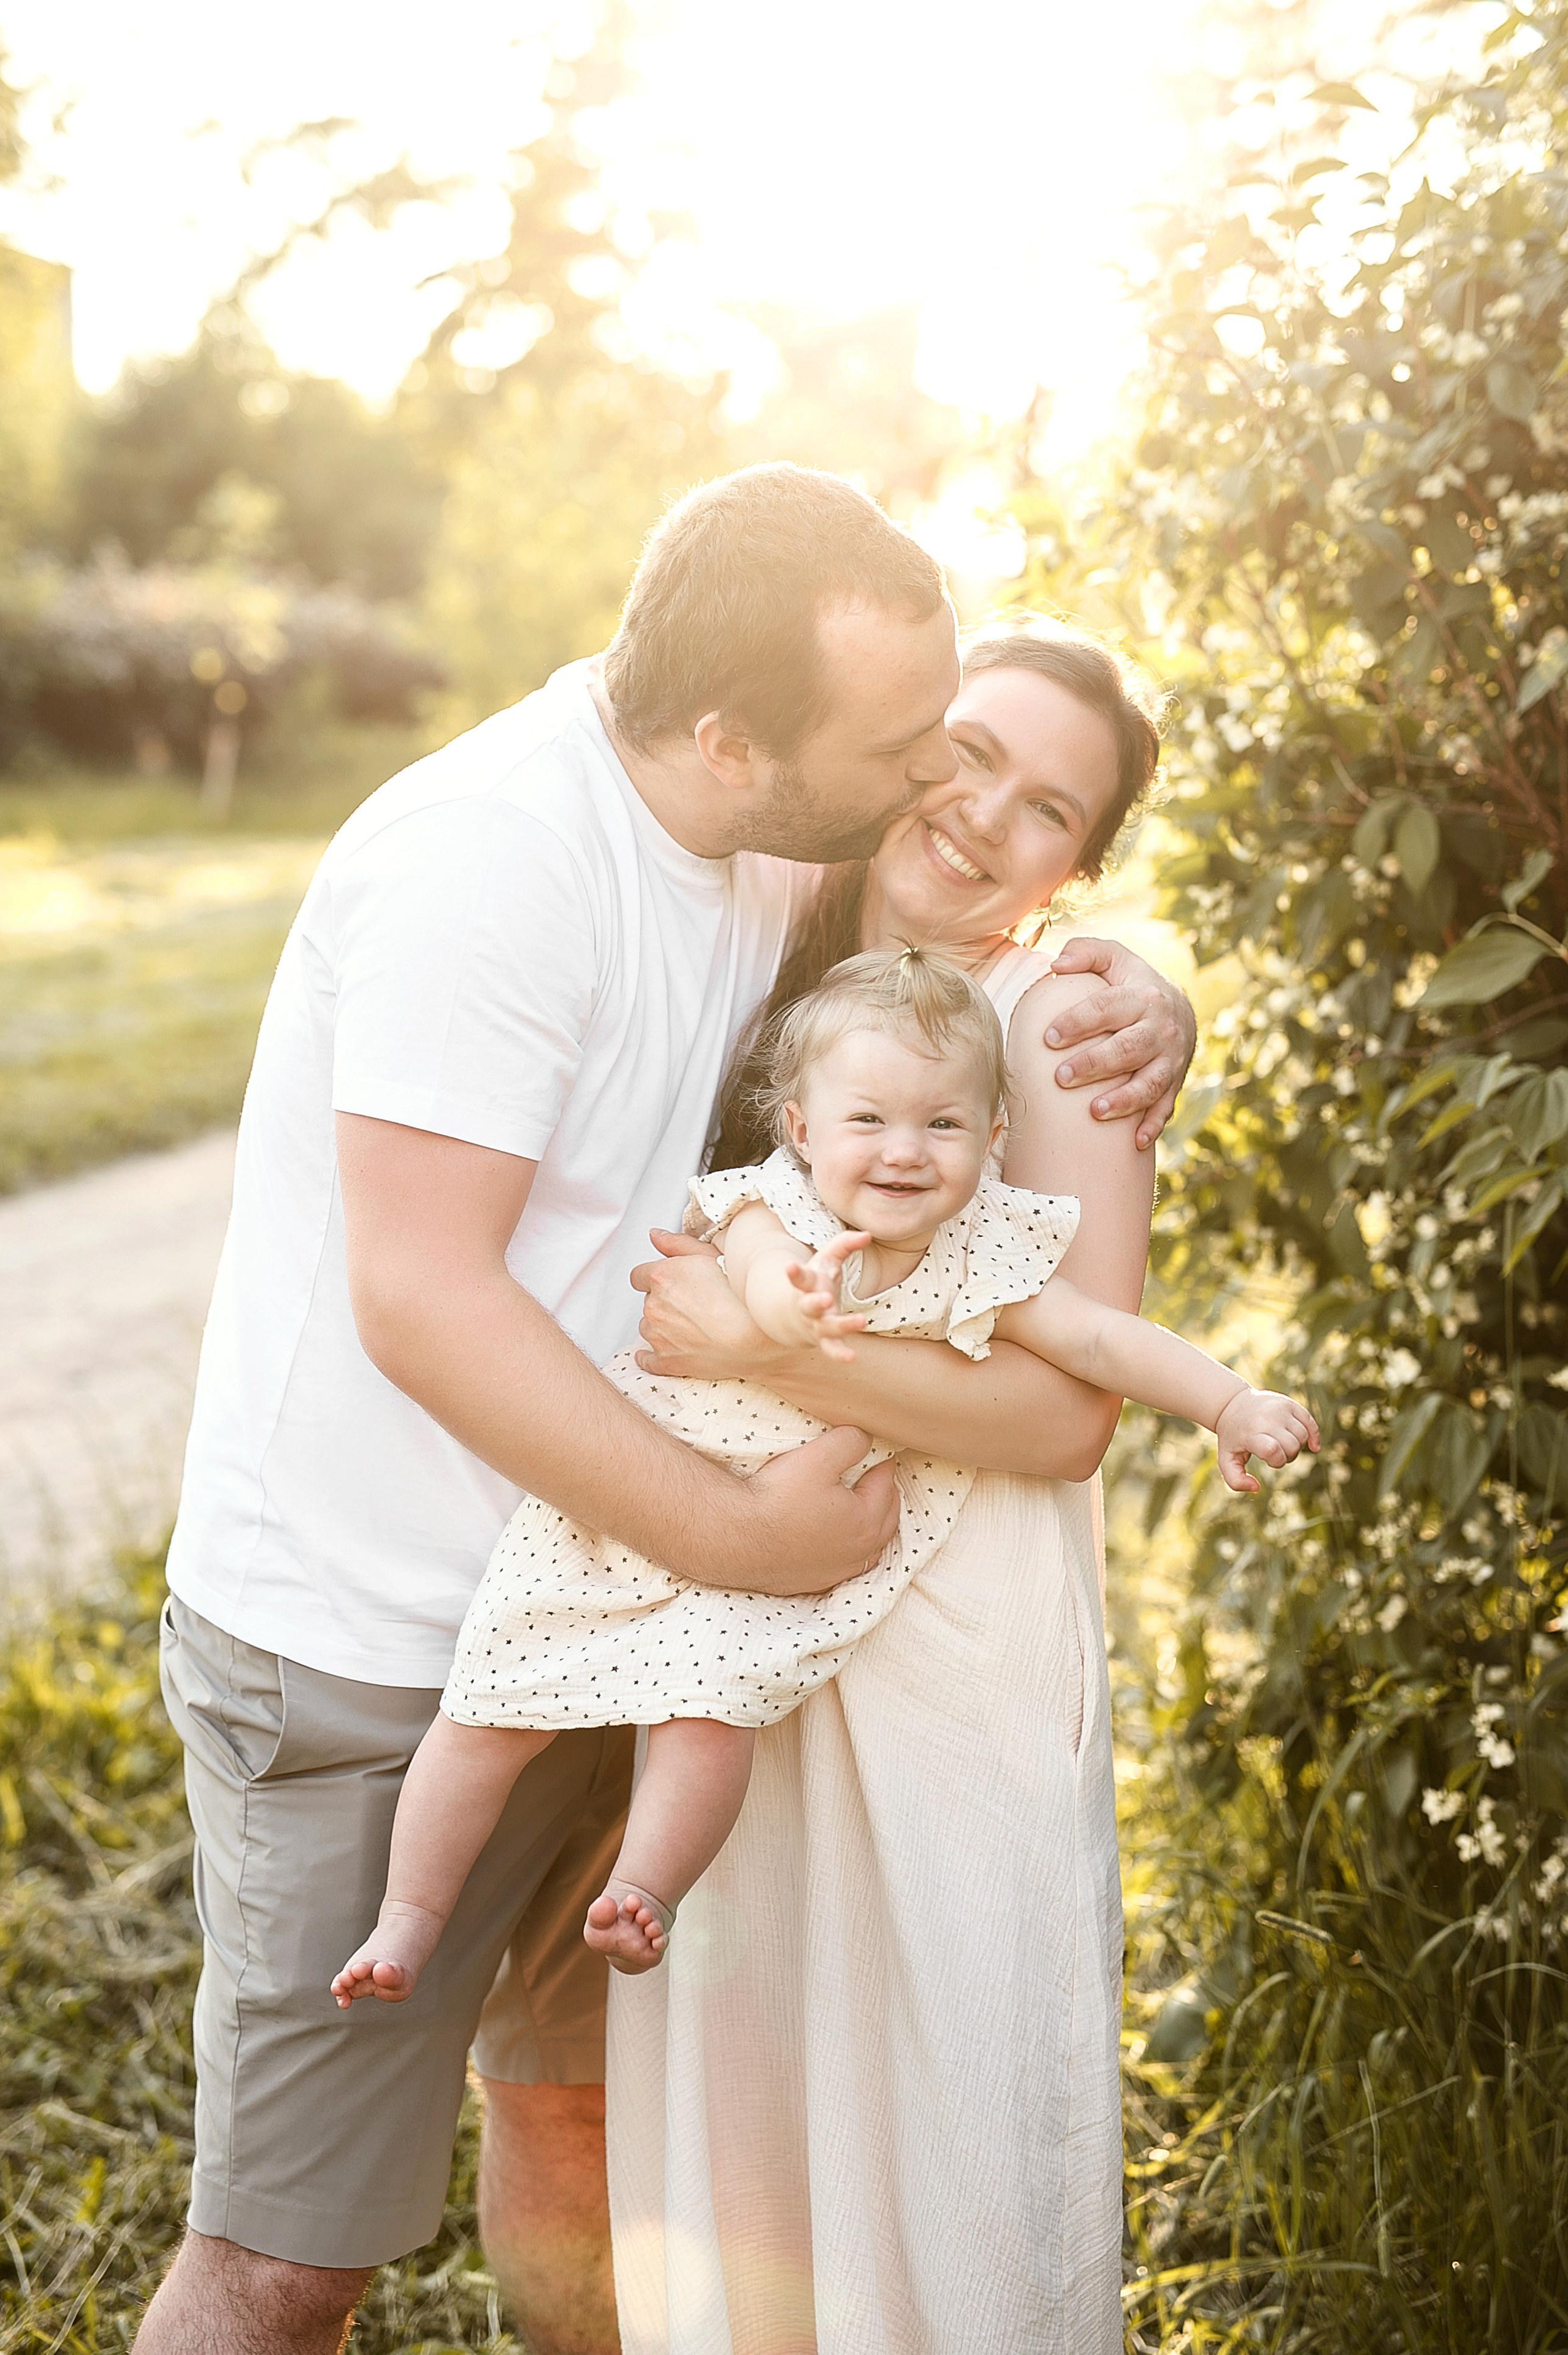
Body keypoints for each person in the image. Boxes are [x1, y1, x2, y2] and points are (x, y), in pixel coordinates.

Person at [138, 473, 1193, 2355]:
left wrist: (1142, 1006)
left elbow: (1005, 1044)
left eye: (1026, 793)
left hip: (651, 1643)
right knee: (289, 2259)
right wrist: (737, 1535)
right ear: (736, 739)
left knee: (592, 2135)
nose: (939, 792)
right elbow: (422, 1295)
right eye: (923, 749)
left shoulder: (772, 857)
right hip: (390, 1641)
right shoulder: (505, 861)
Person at [331, 948, 1311, 2007]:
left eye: (942, 1125)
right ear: (801, 1129)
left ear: (992, 1139)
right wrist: (787, 1310)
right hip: (643, 1490)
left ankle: (644, 1892)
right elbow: (753, 1270)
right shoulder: (772, 1211)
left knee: (709, 1721)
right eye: (868, 1121)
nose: (903, 1152)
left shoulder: (983, 1252)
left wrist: (1229, 1401)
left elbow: (1103, 1343)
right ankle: (406, 1919)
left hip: (770, 1555)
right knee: (490, 1708)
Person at [610, 619, 1194, 2354]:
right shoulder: (765, 937)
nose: (980, 812)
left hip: (951, 1651)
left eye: (1048, 807)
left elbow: (1070, 1410)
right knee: (758, 2127)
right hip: (740, 1631)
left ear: (1075, 869)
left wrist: (770, 1356)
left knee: (954, 2136)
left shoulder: (1060, 1012)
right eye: (969, 751)